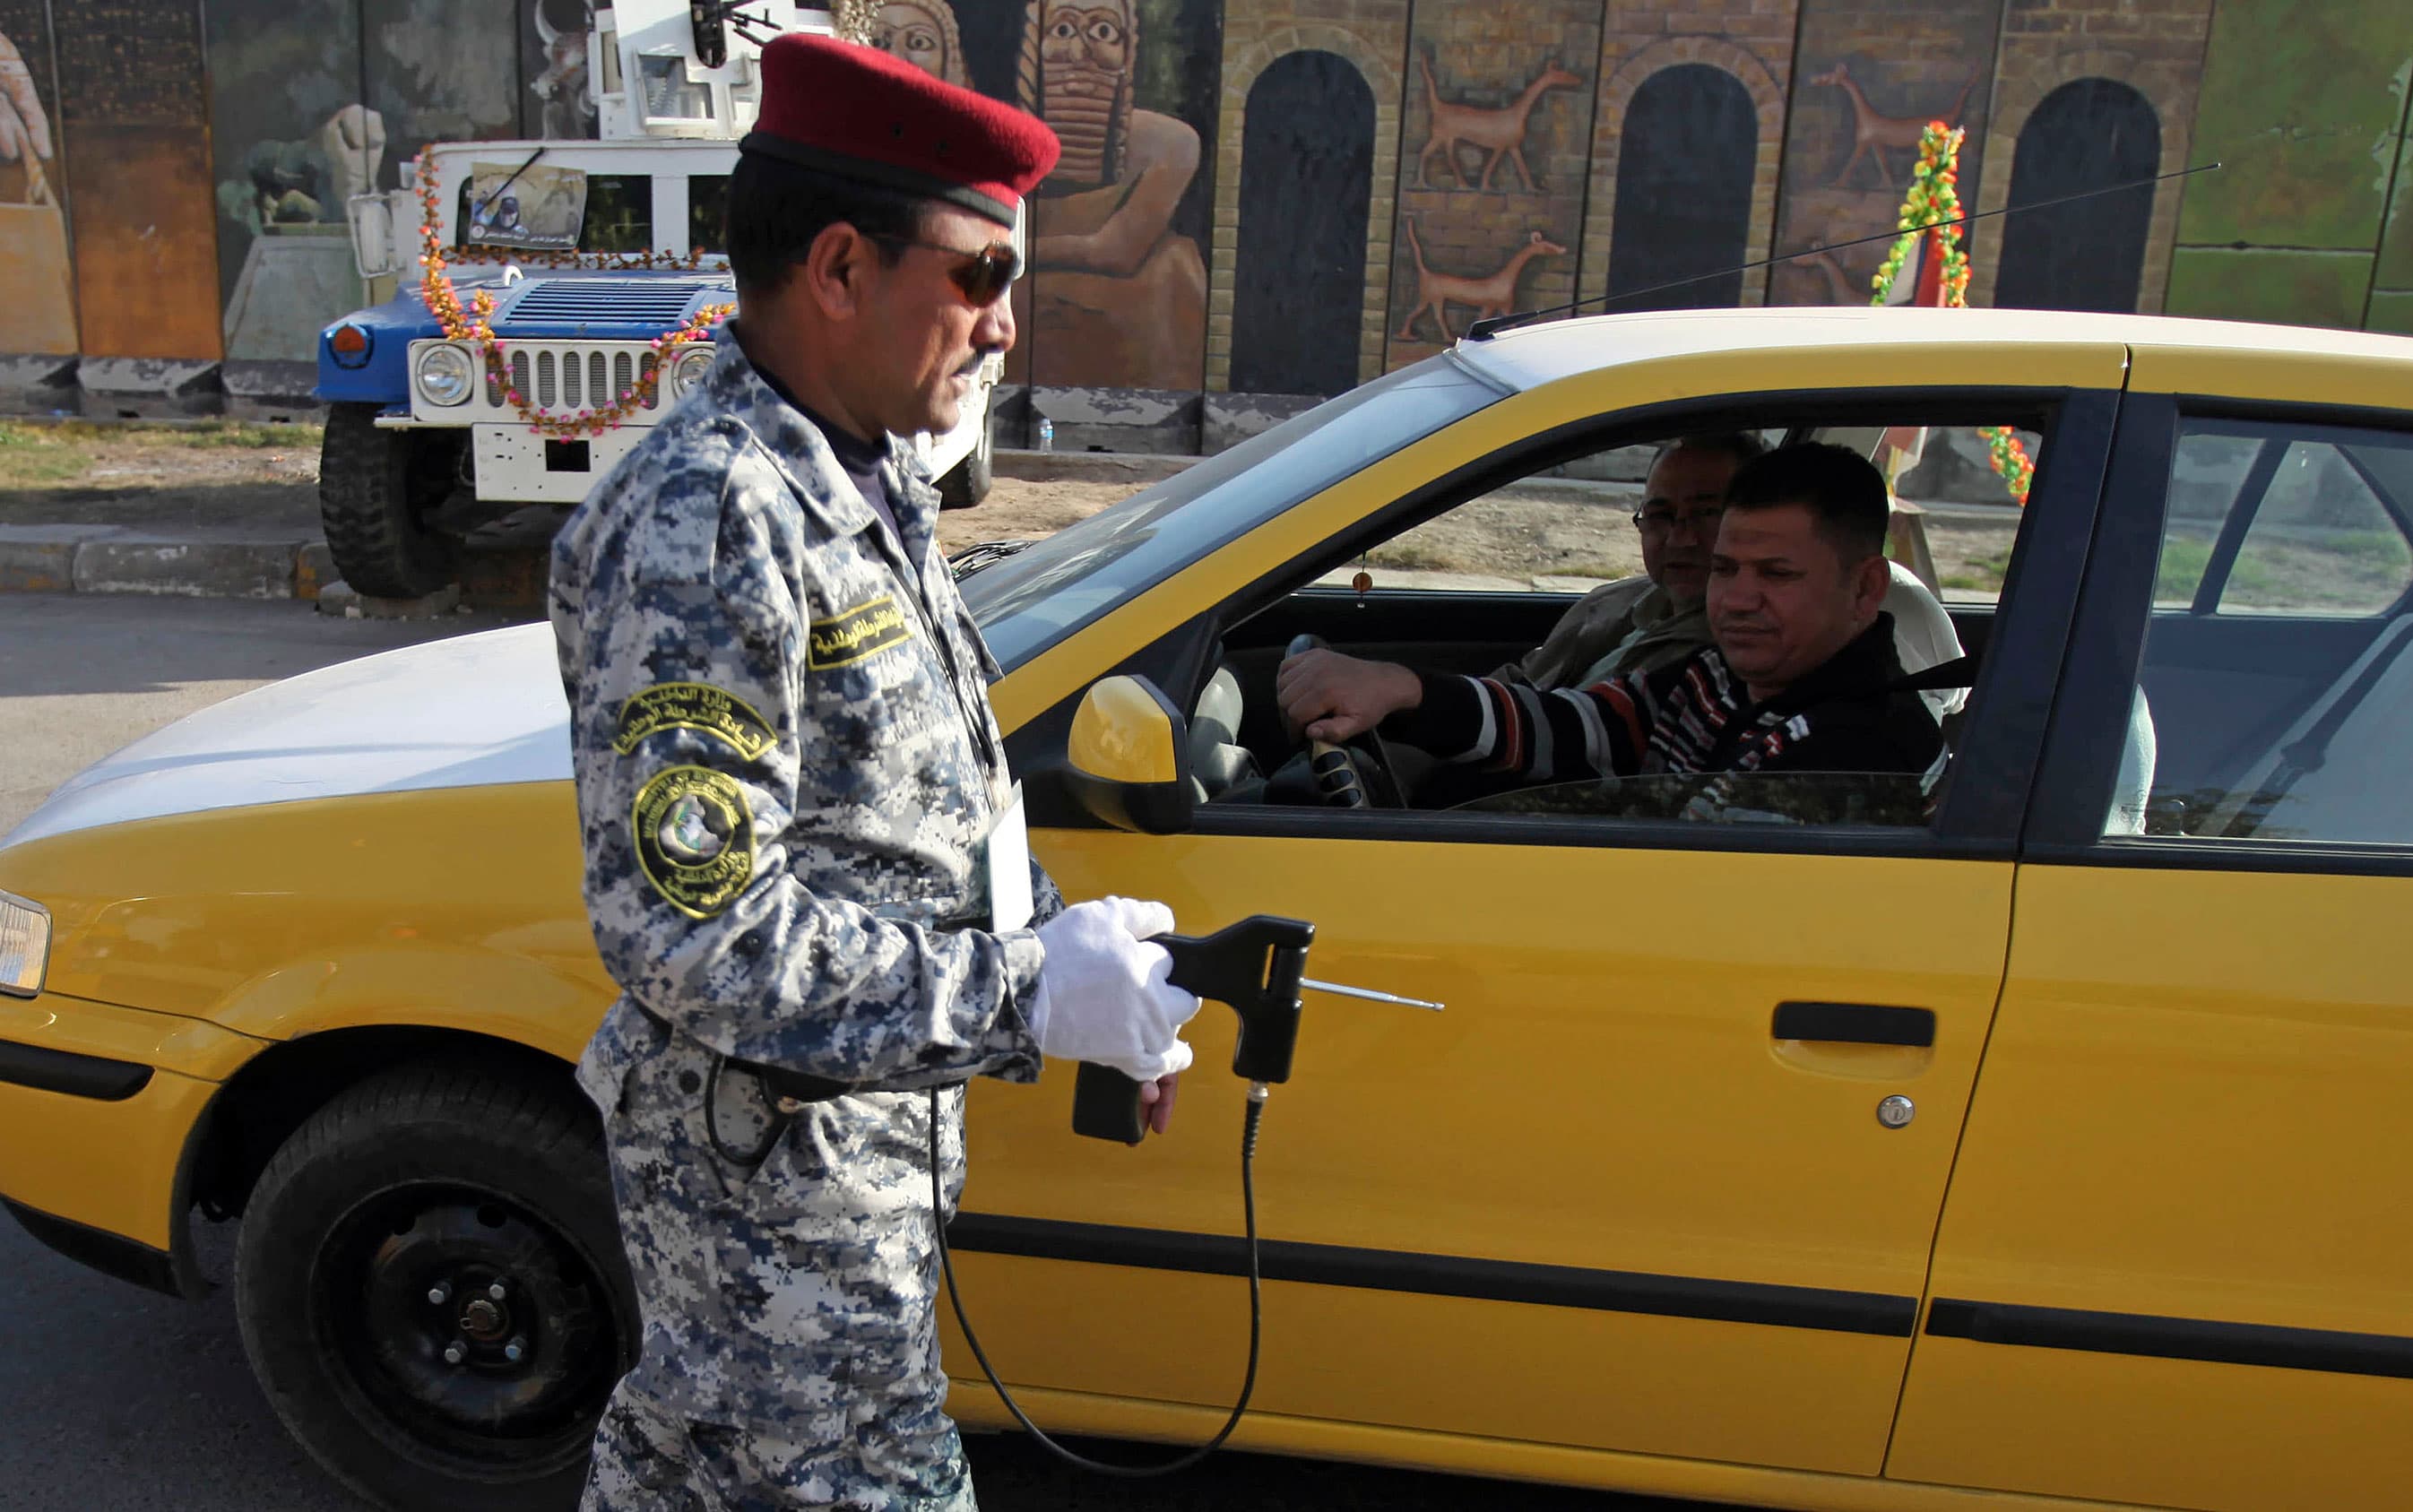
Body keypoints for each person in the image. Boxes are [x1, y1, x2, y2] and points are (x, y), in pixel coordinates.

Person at [548, 35, 1204, 1510]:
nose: (1005, 326)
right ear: (840, 267)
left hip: (847, 1155)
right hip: (770, 1192)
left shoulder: (856, 479)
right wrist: (1024, 993)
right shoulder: (714, 516)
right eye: (979, 276)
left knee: (682, 1469)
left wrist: (1071, 959)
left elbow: (916, 807)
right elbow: (692, 928)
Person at [1279, 442, 1943, 785]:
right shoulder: (1719, 676)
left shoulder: (1853, 750)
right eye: (1725, 569)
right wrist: (1406, 688)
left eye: (1777, 575)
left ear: (1863, 590)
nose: (1738, 599)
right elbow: (1583, 726)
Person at [1487, 431, 1762, 688]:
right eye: (1660, 515)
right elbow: (1524, 681)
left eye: (1706, 514)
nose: (1679, 539)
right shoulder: (1608, 600)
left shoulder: (1738, 653)